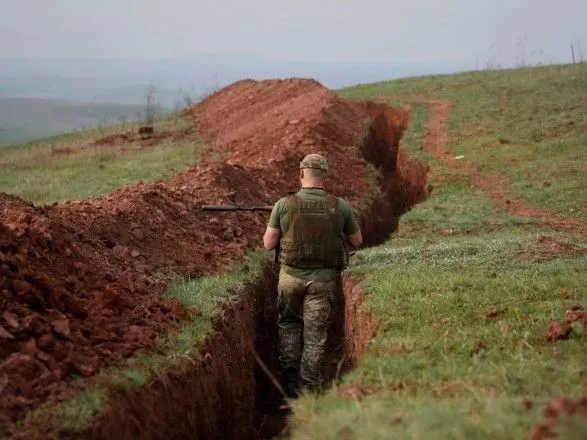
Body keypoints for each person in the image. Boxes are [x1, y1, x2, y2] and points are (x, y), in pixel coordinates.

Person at [263, 153, 363, 398]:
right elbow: (357, 241)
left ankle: (289, 380)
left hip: (289, 279)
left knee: (288, 324)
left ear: (300, 174)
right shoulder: (340, 206)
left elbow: (268, 244)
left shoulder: (283, 205)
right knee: (315, 334)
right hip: (323, 281)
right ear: (324, 177)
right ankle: (311, 386)